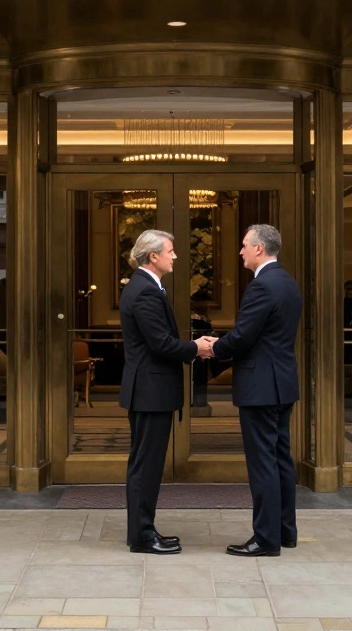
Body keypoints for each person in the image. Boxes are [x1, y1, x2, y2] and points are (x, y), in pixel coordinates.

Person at [199, 224, 302, 557]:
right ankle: (285, 531)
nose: (241, 251)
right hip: (282, 383)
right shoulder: (288, 282)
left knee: (263, 464)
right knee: (280, 459)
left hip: (261, 387)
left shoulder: (261, 287)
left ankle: (266, 539)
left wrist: (214, 348)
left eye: (244, 245)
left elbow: (243, 337)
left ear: (259, 248)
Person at [119, 229, 213, 555]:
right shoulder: (144, 291)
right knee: (146, 466)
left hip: (151, 390)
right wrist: (195, 348)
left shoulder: (148, 287)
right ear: (153, 256)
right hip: (149, 391)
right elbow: (160, 344)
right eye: (170, 251)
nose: (175, 256)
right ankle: (143, 536)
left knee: (148, 465)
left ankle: (144, 530)